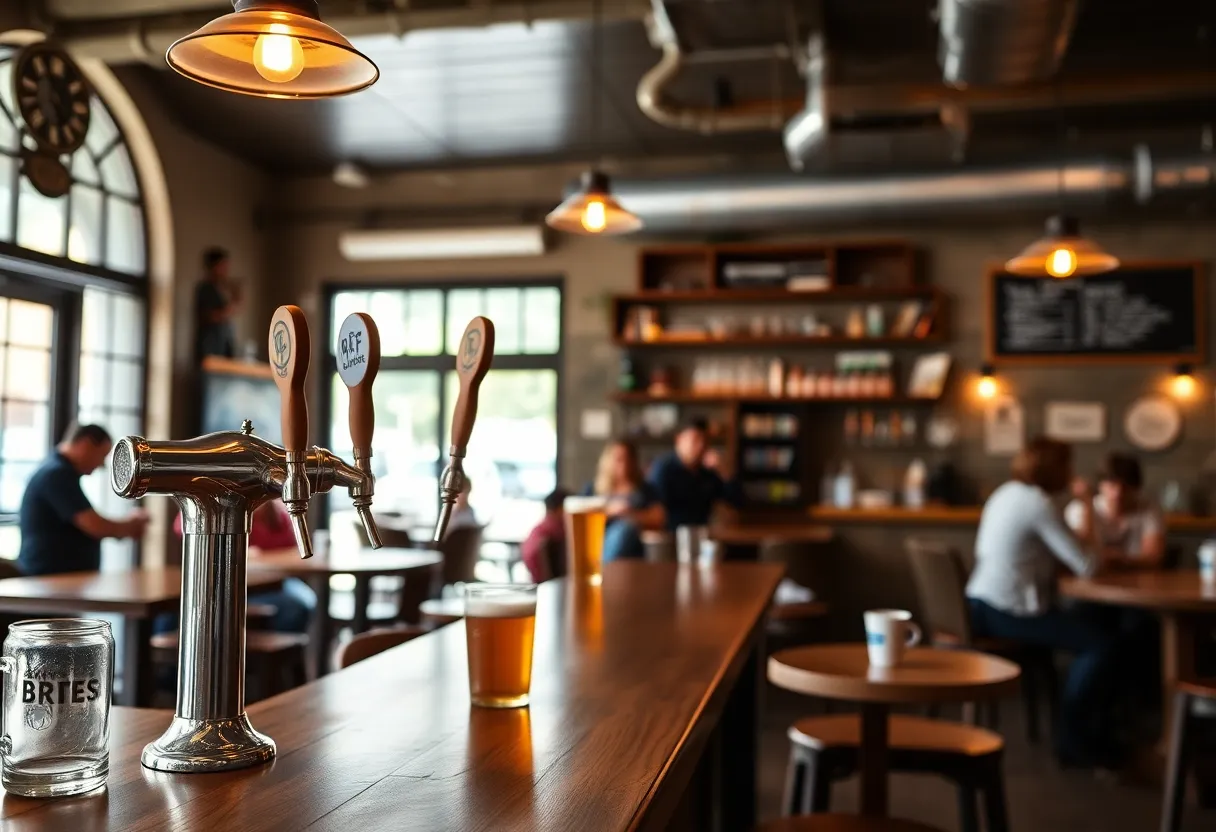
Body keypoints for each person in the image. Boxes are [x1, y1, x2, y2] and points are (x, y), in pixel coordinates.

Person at [966, 437, 1121, 767]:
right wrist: (1087, 504)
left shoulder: (1007, 493)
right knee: (1102, 645)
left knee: (1095, 626)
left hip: (980, 604)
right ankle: (1073, 739)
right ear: (1055, 468)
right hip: (1007, 612)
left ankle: (1090, 730)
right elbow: (1089, 565)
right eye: (1068, 464)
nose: (1071, 471)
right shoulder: (1038, 504)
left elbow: (1063, 552)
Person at [166, 500, 314, 634]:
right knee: (170, 613)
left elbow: (295, 553)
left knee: (301, 602)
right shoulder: (220, 507)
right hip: (220, 584)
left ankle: (279, 661)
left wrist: (258, 557)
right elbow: (181, 525)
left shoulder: (279, 514)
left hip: (272, 585)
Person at [18, 424, 147, 576]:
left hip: (56, 579)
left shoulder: (55, 471)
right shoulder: (57, 475)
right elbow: (94, 525)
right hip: (50, 580)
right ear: (85, 444)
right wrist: (131, 526)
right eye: (102, 455)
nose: (101, 464)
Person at [1065, 452, 1165, 569]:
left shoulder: (1149, 510)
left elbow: (1153, 558)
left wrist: (1118, 560)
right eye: (1112, 484)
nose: (1118, 493)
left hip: (1136, 581)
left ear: (1137, 488)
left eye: (1125, 486)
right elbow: (1079, 556)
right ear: (1100, 485)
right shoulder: (1079, 509)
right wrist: (1088, 506)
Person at [646, 419, 739, 531]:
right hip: (670, 535)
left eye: (705, 441)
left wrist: (725, 471)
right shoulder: (663, 469)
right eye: (695, 440)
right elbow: (654, 511)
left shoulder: (708, 471)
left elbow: (736, 502)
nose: (700, 446)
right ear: (679, 439)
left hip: (701, 534)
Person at [583, 440, 664, 562]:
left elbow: (659, 517)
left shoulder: (644, 489)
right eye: (618, 459)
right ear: (608, 461)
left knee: (626, 529)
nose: (624, 464)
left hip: (636, 547)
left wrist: (630, 514)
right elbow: (582, 517)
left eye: (628, 459)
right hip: (599, 544)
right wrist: (610, 512)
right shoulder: (593, 489)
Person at [195, 246, 242, 360]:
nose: (226, 269)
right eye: (223, 265)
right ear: (213, 266)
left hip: (223, 344)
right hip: (211, 346)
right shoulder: (205, 288)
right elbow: (209, 316)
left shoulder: (221, 288)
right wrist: (230, 309)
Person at [520, 488, 569, 583]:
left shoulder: (537, 529)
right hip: (552, 584)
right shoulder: (556, 530)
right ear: (559, 509)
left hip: (537, 584)